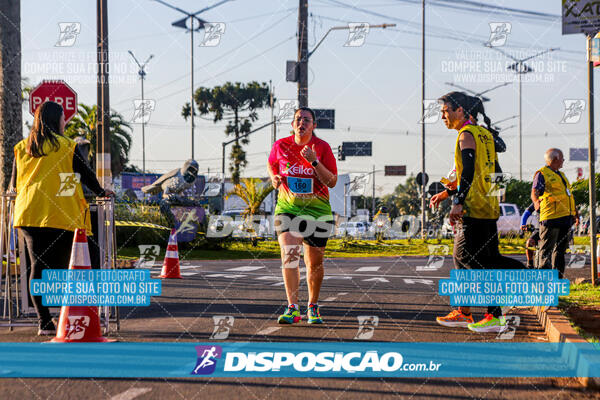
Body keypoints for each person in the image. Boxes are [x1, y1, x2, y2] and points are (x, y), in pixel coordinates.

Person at [12, 101, 112, 335]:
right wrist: (101, 192)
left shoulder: (22, 147)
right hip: (61, 215)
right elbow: (85, 173)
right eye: (63, 118)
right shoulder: (67, 146)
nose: (65, 122)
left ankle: (44, 322)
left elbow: (16, 181)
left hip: (29, 213)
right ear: (57, 120)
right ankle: (80, 318)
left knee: (38, 267)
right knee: (78, 266)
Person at [430, 92, 524, 334]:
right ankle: (464, 311)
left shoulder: (467, 134)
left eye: (446, 111)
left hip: (473, 208)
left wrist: (458, 202)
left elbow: (469, 170)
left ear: (460, 111)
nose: (443, 116)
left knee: (467, 257)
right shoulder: (484, 134)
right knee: (480, 258)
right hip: (487, 208)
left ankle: (494, 313)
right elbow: (463, 171)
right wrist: (445, 192)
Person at [267, 107, 337, 324]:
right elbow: (271, 164)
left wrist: (315, 161)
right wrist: (274, 178)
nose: (302, 123)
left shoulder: (322, 147)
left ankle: (313, 307)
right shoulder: (280, 145)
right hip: (288, 209)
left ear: (313, 126)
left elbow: (332, 181)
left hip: (317, 211)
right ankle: (292, 308)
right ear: (292, 124)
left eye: (307, 120)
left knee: (314, 262)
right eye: (298, 119)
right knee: (289, 256)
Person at [531, 148, 579, 279]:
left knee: (560, 252)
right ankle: (543, 283)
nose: (564, 161)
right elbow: (535, 191)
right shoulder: (542, 174)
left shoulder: (561, 175)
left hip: (565, 218)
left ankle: (557, 280)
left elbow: (567, 194)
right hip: (551, 218)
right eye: (562, 158)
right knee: (546, 251)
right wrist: (536, 202)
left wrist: (575, 212)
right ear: (555, 159)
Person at [520, 203, 539, 268]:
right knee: (529, 242)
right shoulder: (539, 200)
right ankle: (530, 264)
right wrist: (523, 224)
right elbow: (526, 212)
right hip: (539, 229)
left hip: (554, 228)